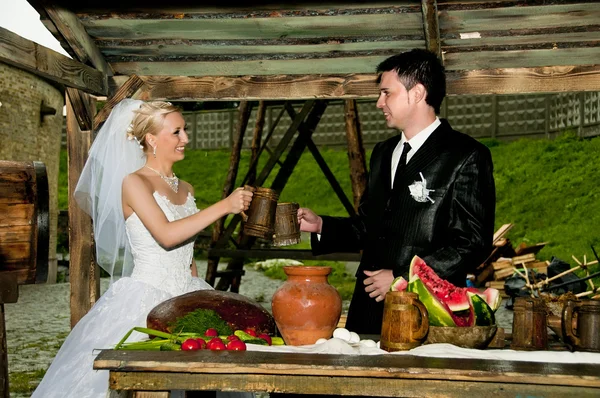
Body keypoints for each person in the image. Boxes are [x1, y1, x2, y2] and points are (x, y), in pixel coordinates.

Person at [32, 100, 253, 398]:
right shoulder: (134, 183)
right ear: (151, 139)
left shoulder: (186, 188)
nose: (185, 138)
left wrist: (200, 293)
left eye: (184, 130)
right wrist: (224, 206)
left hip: (188, 293)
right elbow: (166, 236)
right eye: (176, 132)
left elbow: (185, 253)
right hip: (146, 298)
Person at [298, 49, 496, 335]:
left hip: (424, 310)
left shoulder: (466, 155)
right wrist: (321, 226)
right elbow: (370, 225)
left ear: (416, 93)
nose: (379, 103)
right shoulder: (383, 152)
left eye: (386, 93)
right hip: (367, 307)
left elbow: (471, 243)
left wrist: (401, 277)